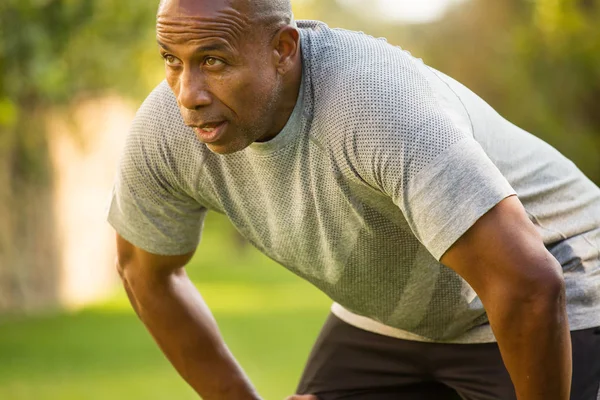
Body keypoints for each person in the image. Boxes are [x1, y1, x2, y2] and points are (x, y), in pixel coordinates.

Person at [107, 0, 600, 398]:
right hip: (391, 319)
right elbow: (144, 272)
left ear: (282, 48)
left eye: (213, 60)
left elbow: (530, 285)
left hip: (556, 280)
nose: (187, 93)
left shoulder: (375, 104)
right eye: (172, 59)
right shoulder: (168, 129)